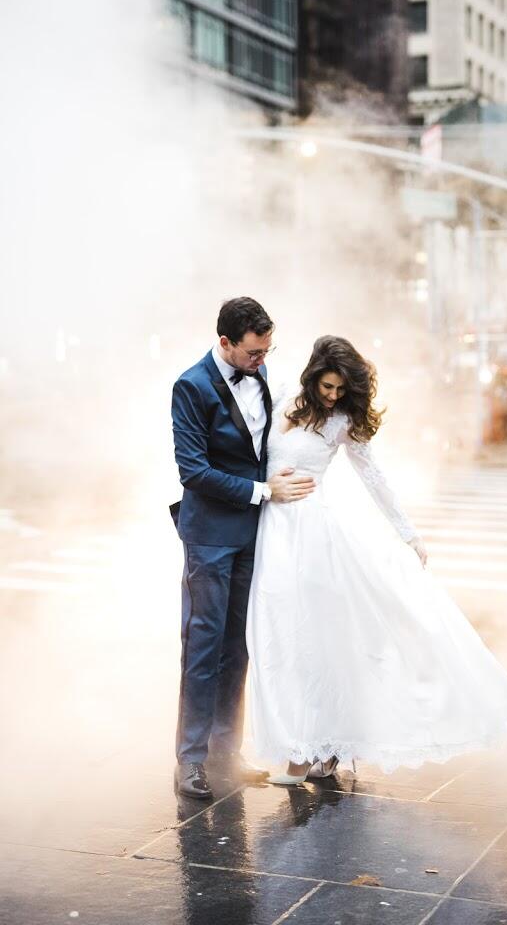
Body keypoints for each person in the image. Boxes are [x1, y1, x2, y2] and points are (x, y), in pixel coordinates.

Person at [246, 336, 507, 785]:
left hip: (313, 536)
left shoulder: (342, 422)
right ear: (313, 375)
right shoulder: (279, 398)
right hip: (272, 530)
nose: (334, 396)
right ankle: (302, 746)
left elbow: (374, 477)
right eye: (328, 386)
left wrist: (408, 533)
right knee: (274, 636)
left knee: (312, 642)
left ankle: (310, 752)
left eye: (341, 389)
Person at [170, 297, 315, 799]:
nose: (263, 359)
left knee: (240, 646)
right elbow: (192, 470)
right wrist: (261, 490)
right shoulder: (190, 386)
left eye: (268, 350)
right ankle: (189, 761)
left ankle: (225, 754)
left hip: (255, 533)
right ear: (226, 343)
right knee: (203, 648)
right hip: (210, 534)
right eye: (254, 352)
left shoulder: (261, 372)